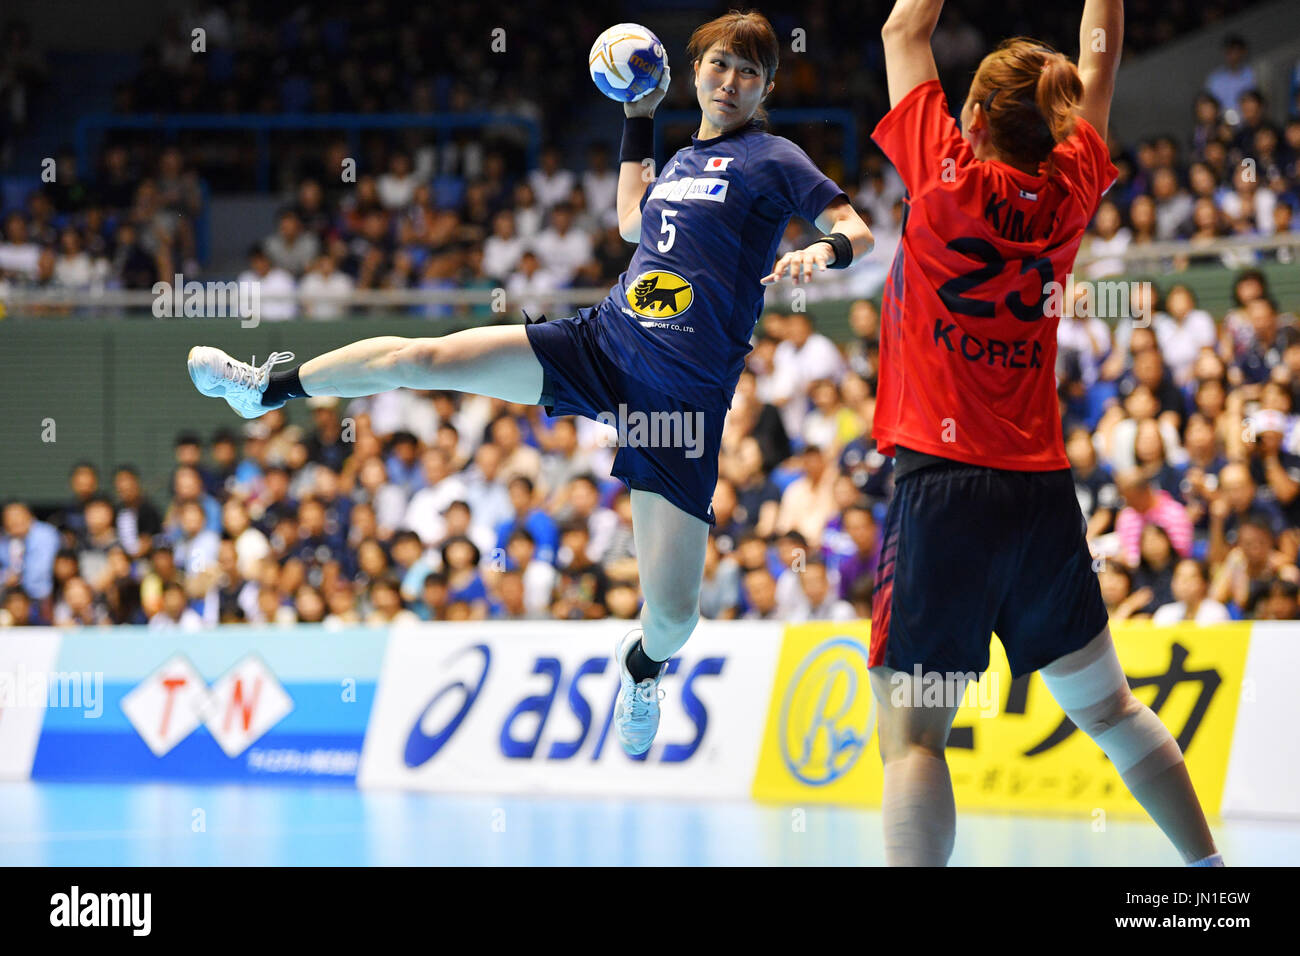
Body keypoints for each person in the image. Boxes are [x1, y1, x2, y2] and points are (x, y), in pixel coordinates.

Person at [185, 10, 872, 756]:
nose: (731, 81)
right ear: (695, 70)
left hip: (680, 405)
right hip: (601, 345)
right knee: (429, 359)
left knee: (673, 618)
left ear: (768, 84)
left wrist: (825, 252)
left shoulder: (773, 157)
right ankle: (268, 387)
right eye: (719, 65)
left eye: (749, 71)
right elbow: (631, 226)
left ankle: (641, 671)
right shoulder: (677, 161)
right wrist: (636, 120)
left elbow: (854, 226)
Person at [868, 0, 1219, 867]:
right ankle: (1212, 884)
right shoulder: (1070, 191)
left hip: (941, 485)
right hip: (1039, 492)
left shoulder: (944, 180)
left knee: (914, 739)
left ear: (975, 120)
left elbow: (903, 28)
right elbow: (1100, 59)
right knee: (1110, 710)